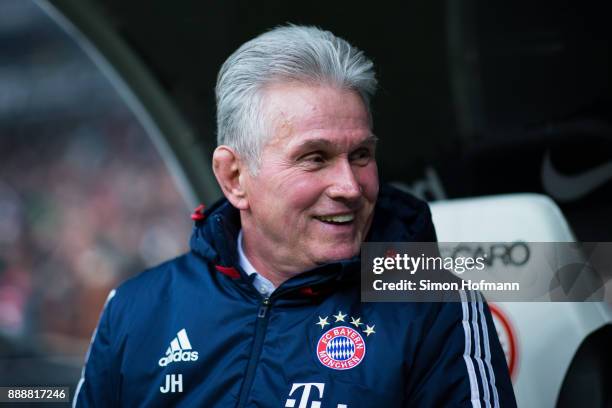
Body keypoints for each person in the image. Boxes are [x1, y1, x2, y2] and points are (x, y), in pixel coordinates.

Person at [74, 25, 516, 407]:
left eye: (361, 155)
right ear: (234, 177)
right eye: (315, 158)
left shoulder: (434, 307)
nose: (349, 186)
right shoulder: (135, 311)